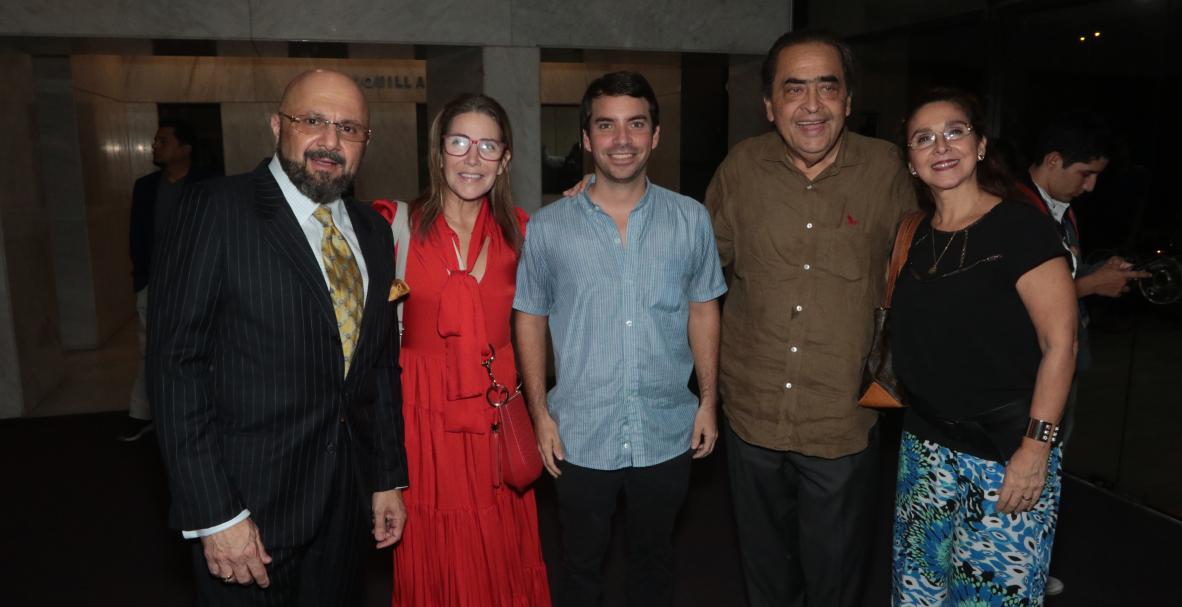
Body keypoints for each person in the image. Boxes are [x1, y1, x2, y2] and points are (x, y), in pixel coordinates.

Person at [148, 69, 408, 605]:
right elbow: (176, 370)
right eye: (312, 121)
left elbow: (379, 366)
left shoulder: (374, 232)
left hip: (344, 505)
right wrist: (214, 512)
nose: (330, 142)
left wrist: (387, 477)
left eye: (349, 128)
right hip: (248, 510)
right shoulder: (214, 210)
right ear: (276, 124)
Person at [703, 30, 915, 607]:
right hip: (752, 412)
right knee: (765, 575)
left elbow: (929, 260)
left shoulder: (886, 168)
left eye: (828, 87)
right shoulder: (742, 167)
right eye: (794, 89)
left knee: (836, 579)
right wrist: (605, 205)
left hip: (841, 418)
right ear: (770, 106)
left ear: (848, 100)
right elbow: (692, 267)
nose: (813, 105)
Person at [514, 71, 727, 607]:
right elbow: (530, 317)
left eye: (636, 124)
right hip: (580, 433)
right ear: (586, 139)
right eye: (605, 125)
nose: (622, 139)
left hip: (666, 428)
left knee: (654, 563)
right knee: (581, 568)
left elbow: (704, 309)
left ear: (656, 135)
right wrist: (540, 415)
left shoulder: (690, 220)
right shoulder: (548, 227)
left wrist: (708, 402)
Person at [890, 88, 1077, 605]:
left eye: (955, 132)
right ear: (910, 161)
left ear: (979, 146)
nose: (941, 146)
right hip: (924, 447)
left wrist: (1036, 449)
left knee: (991, 599)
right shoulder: (914, 235)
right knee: (917, 592)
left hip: (1006, 454)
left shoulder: (1021, 228)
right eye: (923, 139)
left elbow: (1060, 344)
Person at [371, 93, 551, 606]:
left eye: (488, 146)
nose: (473, 159)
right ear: (439, 151)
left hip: (495, 414)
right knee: (435, 547)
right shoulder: (393, 227)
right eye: (459, 142)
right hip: (421, 418)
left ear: (506, 158)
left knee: (499, 547)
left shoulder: (522, 231)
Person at [1016, 109, 1149, 600]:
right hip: (1026, 369)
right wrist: (1092, 284)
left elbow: (1058, 275)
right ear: (1053, 160)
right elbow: (1016, 297)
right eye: (1085, 173)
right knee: (1026, 462)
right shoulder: (1014, 210)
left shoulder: (1060, 210)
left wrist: (1095, 272)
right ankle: (1017, 559)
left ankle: (1032, 555)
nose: (1090, 186)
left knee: (1047, 467)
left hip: (1060, 362)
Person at [122, 119, 217, 442]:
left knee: (202, 348)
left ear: (185, 148)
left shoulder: (210, 183)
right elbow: (137, 236)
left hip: (199, 281)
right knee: (150, 348)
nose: (155, 146)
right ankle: (143, 414)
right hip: (154, 282)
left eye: (163, 141)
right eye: (155, 141)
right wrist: (144, 276)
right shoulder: (146, 186)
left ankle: (203, 412)